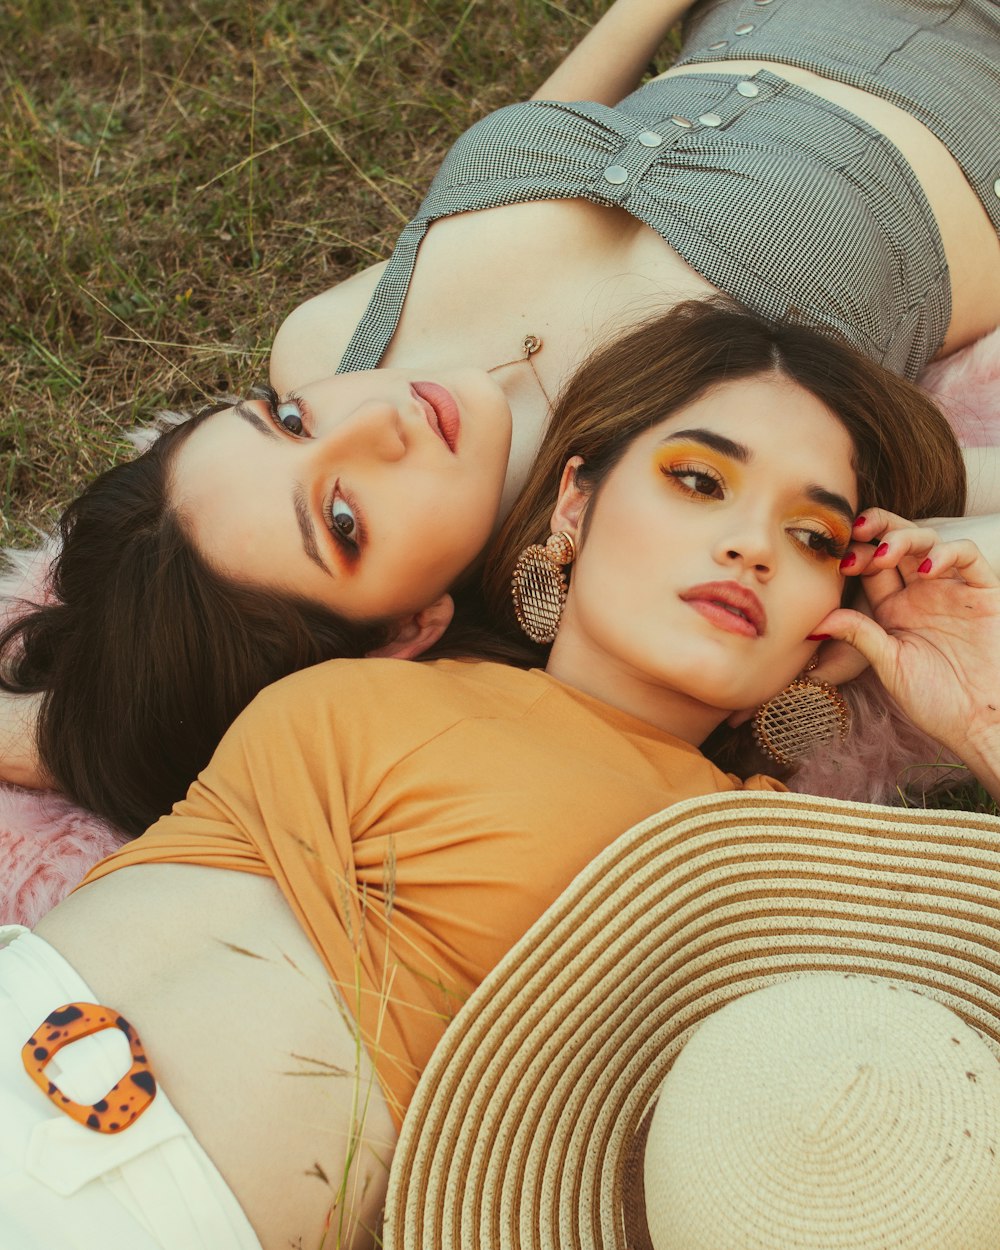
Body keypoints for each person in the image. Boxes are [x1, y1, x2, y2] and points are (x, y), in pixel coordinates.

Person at [1, 301, 996, 1250]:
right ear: (576, 499)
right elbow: (109, 699)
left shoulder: (751, 853)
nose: (748, 545)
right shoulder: (385, 655)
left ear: (835, 607)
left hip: (152, 1214)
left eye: (814, 536)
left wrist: (971, 701)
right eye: (699, 480)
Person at [3, 0, 999, 831]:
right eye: (345, 521)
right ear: (407, 632)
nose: (375, 424)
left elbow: (504, 165)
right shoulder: (656, 490)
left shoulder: (326, 343)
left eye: (289, 422)